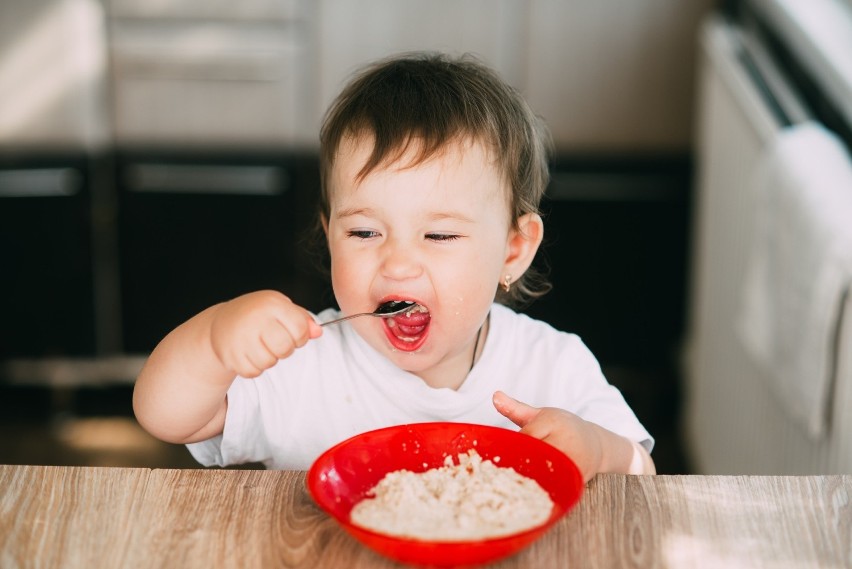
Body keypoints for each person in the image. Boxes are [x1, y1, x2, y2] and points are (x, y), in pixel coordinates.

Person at [133, 52, 655, 481]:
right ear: (329, 233)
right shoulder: (302, 365)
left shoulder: (551, 365)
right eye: (364, 232)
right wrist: (215, 340)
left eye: (440, 234)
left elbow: (641, 470)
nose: (398, 263)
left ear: (513, 252)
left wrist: (597, 449)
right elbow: (163, 416)